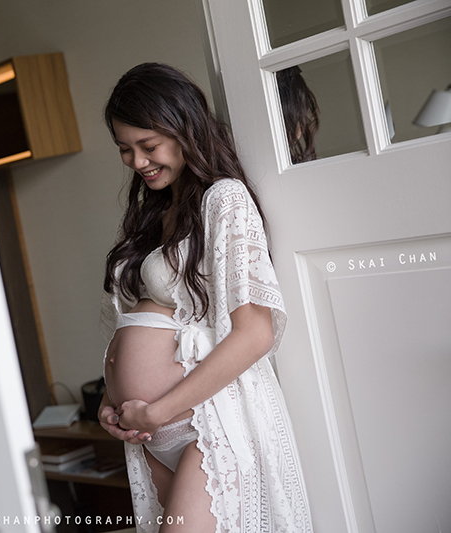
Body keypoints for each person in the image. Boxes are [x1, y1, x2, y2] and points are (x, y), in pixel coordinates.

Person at [97, 63, 313, 533]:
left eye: (148, 146)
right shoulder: (155, 211)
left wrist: (156, 409)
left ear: (184, 129)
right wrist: (111, 403)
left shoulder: (225, 199)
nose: (137, 162)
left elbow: (255, 333)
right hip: (148, 430)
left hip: (206, 421)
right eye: (125, 150)